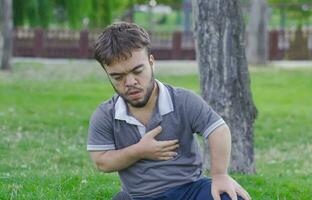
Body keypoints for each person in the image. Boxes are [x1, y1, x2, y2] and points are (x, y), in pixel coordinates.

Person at [87, 22, 251, 200]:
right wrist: (139, 151)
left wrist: (220, 175)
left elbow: (218, 130)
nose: (130, 82)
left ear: (151, 62)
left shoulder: (183, 100)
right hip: (140, 196)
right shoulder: (105, 115)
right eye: (118, 77)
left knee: (230, 196)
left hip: (191, 190)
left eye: (137, 71)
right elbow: (101, 161)